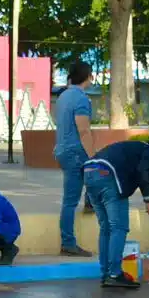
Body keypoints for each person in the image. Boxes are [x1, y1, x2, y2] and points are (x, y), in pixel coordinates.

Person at [83, 136, 149, 288]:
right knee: (118, 227)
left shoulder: (131, 149)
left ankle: (106, 273)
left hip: (89, 170)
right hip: (107, 174)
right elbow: (144, 171)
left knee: (106, 228)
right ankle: (114, 274)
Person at [54, 62, 97, 257]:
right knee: (70, 200)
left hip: (62, 149)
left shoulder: (63, 96)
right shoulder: (81, 98)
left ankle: (91, 201)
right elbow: (83, 129)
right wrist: (93, 155)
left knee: (84, 185)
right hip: (75, 151)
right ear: (88, 76)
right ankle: (68, 242)